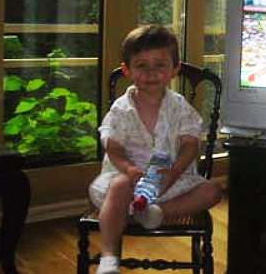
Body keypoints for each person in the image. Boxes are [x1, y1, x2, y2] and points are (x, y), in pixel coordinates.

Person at [88, 25, 222, 274]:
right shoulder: (121, 109)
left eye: (160, 65)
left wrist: (175, 171)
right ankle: (109, 258)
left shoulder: (179, 106)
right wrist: (128, 169)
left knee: (212, 191)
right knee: (118, 186)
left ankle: (156, 213)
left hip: (169, 182)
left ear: (174, 69)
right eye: (141, 65)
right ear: (127, 70)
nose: (151, 73)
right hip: (126, 181)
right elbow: (113, 147)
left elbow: (190, 144)